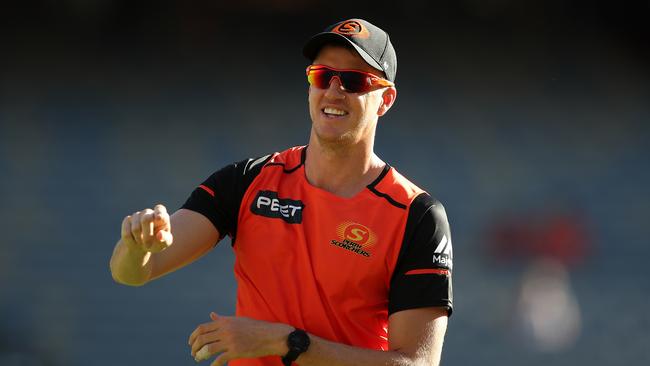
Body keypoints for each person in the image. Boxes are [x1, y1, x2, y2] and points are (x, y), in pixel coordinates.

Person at [110, 18, 454, 366]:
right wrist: (137, 248)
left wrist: (287, 342)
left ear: (385, 100)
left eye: (353, 81)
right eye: (322, 76)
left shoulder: (417, 215)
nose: (334, 91)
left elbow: (418, 363)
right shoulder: (247, 180)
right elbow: (132, 272)